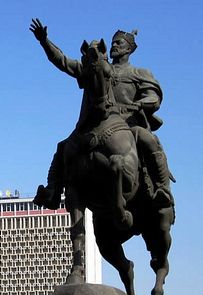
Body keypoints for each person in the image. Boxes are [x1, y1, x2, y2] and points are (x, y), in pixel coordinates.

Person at [29, 18, 174, 210]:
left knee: (149, 139)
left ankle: (162, 189)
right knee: (63, 147)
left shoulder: (139, 73)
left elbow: (153, 97)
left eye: (119, 43)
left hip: (128, 123)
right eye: (113, 43)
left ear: (129, 49)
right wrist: (44, 41)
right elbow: (63, 61)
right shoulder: (96, 66)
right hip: (97, 123)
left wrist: (139, 104)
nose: (114, 46)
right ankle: (52, 191)